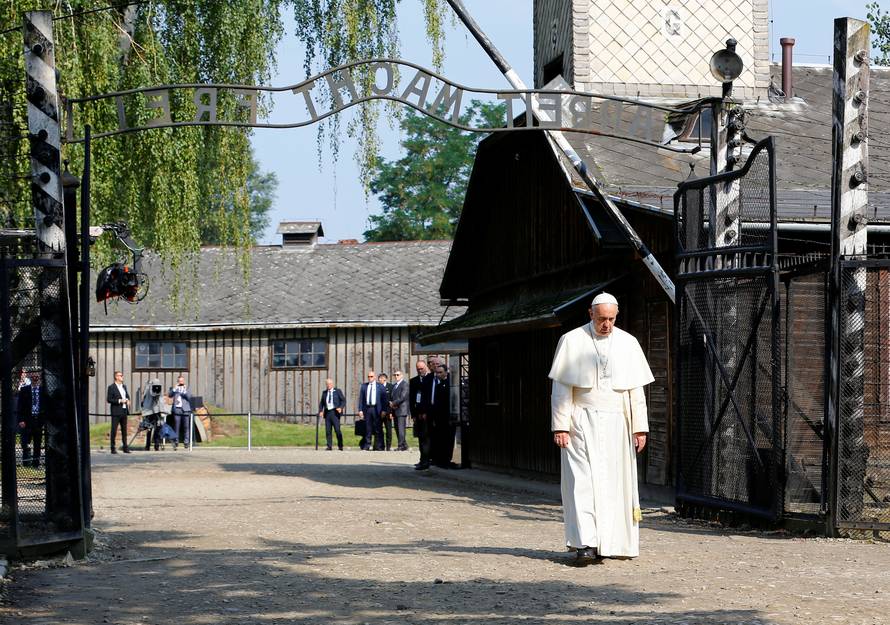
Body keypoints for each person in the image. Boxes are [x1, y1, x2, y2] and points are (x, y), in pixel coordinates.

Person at [549, 292, 653, 565]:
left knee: (615, 483)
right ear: (590, 314)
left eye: (611, 319)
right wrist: (560, 425)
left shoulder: (628, 343)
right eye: (601, 319)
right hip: (580, 420)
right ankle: (585, 544)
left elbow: (635, 390)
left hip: (618, 421)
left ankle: (612, 542)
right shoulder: (572, 341)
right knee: (581, 482)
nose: (606, 324)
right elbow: (561, 389)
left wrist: (640, 428)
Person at [431, 364, 457, 468]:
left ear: (446, 372)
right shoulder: (438, 385)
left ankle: (447, 459)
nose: (438, 375)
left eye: (440, 372)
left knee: (449, 439)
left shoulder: (451, 384)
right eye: (437, 373)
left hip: (449, 416)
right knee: (441, 439)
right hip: (439, 417)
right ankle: (440, 459)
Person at [16, 371, 45, 467]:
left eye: (37, 377)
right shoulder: (24, 390)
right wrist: (20, 420)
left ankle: (35, 464)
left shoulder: (43, 390)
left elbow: (46, 406)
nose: (35, 379)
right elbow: (19, 406)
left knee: (37, 443)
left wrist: (43, 421)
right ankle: (26, 463)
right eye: (33, 377)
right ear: (30, 377)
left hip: (38, 420)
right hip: (27, 420)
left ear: (39, 378)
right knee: (25, 443)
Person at [409, 360, 434, 470]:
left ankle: (426, 460)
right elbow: (411, 399)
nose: (420, 371)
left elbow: (430, 398)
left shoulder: (430, 379)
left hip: (427, 414)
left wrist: (426, 412)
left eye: (422, 368)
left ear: (426, 368)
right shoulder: (413, 381)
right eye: (418, 369)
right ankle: (421, 459)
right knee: (420, 437)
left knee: (426, 438)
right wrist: (413, 414)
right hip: (417, 413)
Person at [357, 370, 388, 451]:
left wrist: (384, 410)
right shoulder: (364, 386)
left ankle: (379, 446)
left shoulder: (380, 386)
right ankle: (367, 445)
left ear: (374, 377)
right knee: (368, 428)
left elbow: (384, 399)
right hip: (367, 409)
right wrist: (360, 410)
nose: (370, 378)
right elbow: (361, 399)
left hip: (377, 409)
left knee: (378, 428)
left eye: (371, 376)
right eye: (368, 376)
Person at [106, 370, 132, 454]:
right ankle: (112, 447)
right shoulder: (111, 387)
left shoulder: (124, 387)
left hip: (124, 411)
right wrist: (120, 401)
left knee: (124, 430)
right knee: (114, 430)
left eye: (122, 375)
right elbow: (109, 399)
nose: (122, 377)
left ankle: (125, 447)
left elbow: (127, 396)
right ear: (116, 377)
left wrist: (128, 400)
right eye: (120, 375)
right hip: (116, 411)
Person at [318, 378, 346, 450]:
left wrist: (341, 407)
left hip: (335, 413)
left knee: (337, 430)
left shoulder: (337, 391)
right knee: (328, 431)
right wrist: (321, 411)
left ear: (332, 384)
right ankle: (329, 446)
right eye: (327, 384)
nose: (328, 385)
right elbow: (321, 403)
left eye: (330, 384)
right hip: (327, 413)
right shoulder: (324, 393)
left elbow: (343, 400)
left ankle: (340, 446)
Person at [168, 376, 192, 450]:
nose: (181, 383)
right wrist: (174, 389)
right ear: (178, 381)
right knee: (176, 426)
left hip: (185, 409)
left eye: (182, 381)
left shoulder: (187, 388)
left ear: (184, 381)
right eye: (179, 381)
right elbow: (170, 395)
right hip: (177, 409)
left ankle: (186, 442)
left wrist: (184, 391)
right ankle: (176, 442)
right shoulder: (175, 388)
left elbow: (189, 397)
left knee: (186, 427)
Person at [389, 370, 410, 451]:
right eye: (395, 375)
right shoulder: (394, 386)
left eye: (398, 375)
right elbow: (392, 396)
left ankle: (401, 445)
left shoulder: (405, 384)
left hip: (402, 410)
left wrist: (393, 403)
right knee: (397, 428)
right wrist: (391, 406)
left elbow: (403, 397)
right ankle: (404, 445)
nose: (396, 376)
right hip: (395, 409)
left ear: (402, 376)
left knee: (401, 429)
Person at [378, 373, 395, 450]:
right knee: (379, 429)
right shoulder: (377, 387)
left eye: (381, 378)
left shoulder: (390, 387)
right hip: (379, 412)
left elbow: (392, 400)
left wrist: (391, 412)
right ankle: (381, 445)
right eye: (379, 379)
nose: (380, 380)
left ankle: (388, 446)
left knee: (388, 430)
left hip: (388, 412)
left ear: (385, 379)